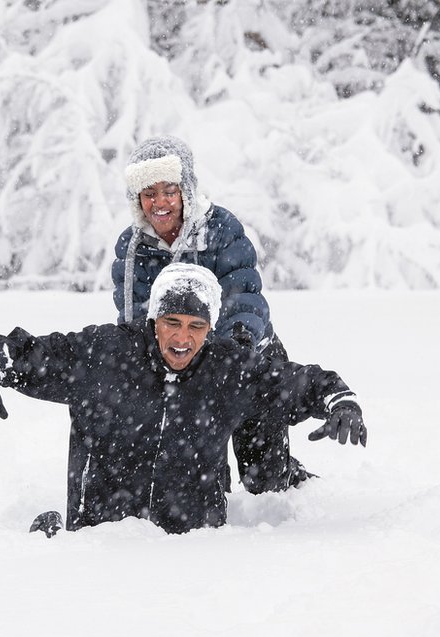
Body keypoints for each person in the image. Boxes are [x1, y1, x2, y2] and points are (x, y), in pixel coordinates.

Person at [0, 263, 366, 535]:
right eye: (172, 323)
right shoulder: (106, 353)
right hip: (99, 542)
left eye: (196, 326)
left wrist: (340, 402)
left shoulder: (228, 370)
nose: (183, 339)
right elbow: (25, 351)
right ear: (154, 320)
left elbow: (303, 382)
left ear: (210, 329)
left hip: (192, 551)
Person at [112, 135, 302, 495]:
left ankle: (291, 478)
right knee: (201, 481)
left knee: (265, 480)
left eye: (168, 190)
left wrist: (235, 349)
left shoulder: (221, 229)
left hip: (246, 356)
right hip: (182, 367)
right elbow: (135, 315)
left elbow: (243, 294)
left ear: (185, 189)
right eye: (149, 194)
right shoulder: (131, 247)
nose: (160, 203)